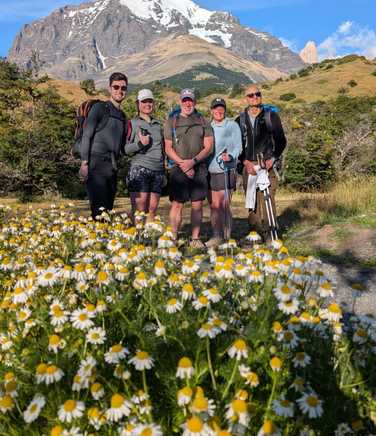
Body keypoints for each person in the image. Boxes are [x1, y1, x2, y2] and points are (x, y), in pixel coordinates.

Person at [235, 84, 286, 240]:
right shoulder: (240, 120)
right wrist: (245, 162)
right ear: (246, 98)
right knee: (252, 201)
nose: (255, 97)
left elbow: (281, 141)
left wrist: (272, 158)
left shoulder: (271, 116)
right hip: (248, 166)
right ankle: (255, 235)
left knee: (268, 199)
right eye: (251, 95)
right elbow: (236, 146)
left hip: (267, 166)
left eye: (257, 94)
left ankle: (272, 234)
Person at [164, 88, 214, 248]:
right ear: (180, 102)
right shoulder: (171, 122)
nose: (187, 103)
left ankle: (195, 239)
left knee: (197, 204)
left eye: (190, 100)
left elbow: (208, 147)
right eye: (185, 100)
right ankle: (173, 237)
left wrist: (192, 162)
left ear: (195, 102)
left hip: (198, 167)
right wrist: (183, 164)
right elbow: (168, 148)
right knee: (177, 204)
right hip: (178, 168)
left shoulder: (203, 121)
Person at [79, 72, 128, 219]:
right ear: (109, 88)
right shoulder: (100, 108)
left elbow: (123, 147)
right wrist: (84, 163)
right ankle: (94, 241)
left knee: (108, 210)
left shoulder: (123, 116)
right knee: (98, 211)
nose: (119, 91)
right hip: (96, 164)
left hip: (112, 167)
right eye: (116, 87)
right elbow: (87, 135)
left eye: (123, 88)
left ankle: (102, 240)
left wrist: (141, 144)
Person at [124, 89, 165, 222]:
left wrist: (164, 170)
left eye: (150, 101)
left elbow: (162, 149)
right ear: (138, 104)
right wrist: (140, 144)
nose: (147, 104)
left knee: (152, 211)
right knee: (139, 211)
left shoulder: (158, 125)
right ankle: (136, 239)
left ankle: (147, 241)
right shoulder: (132, 123)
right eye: (144, 101)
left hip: (158, 171)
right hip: (139, 169)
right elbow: (125, 149)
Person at [206, 98, 242, 248]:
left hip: (225, 169)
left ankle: (226, 237)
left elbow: (238, 146)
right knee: (214, 206)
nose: (218, 111)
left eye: (221, 108)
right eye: (216, 108)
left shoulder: (232, 125)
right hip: (209, 170)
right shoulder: (208, 127)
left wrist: (231, 155)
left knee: (223, 204)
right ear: (211, 110)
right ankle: (216, 236)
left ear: (225, 110)